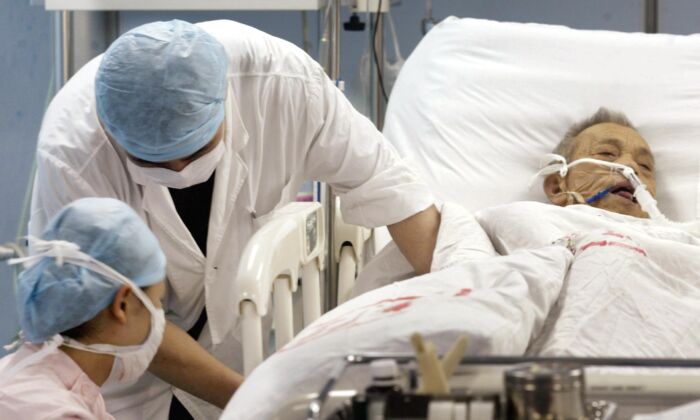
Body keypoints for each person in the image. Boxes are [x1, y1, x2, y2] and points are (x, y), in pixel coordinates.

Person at [30, 19, 440, 419]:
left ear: (223, 98)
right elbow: (118, 315)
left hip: (229, 352)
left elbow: (393, 190)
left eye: (194, 149)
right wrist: (258, 398)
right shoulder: (74, 151)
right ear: (111, 132)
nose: (179, 169)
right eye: (151, 160)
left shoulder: (283, 83)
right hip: (122, 386)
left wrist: (458, 308)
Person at [0, 198, 174, 419]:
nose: (159, 316)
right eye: (157, 301)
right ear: (122, 304)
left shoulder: (22, 378)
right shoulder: (59, 412)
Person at [541, 107, 656, 218]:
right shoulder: (533, 222)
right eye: (606, 153)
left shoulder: (668, 235)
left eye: (644, 165)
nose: (631, 166)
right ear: (557, 188)